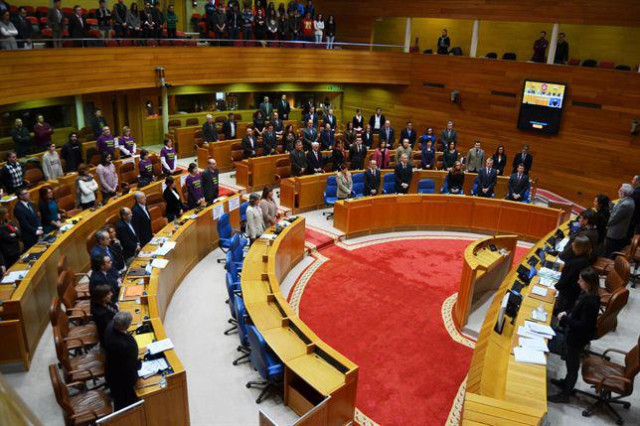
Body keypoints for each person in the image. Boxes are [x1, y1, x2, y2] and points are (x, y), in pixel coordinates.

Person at [548, 268, 600, 403]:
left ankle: (565, 395)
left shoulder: (590, 301)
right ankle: (565, 383)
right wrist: (567, 312)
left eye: (581, 280)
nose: (578, 282)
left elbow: (583, 325)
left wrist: (565, 319)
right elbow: (577, 309)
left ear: (588, 283)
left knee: (572, 366)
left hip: (578, 338)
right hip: (574, 334)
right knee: (569, 363)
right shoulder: (587, 294)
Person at [103, 311, 140, 411]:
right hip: (123, 380)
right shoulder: (125, 345)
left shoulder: (110, 326)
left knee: (118, 398)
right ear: (126, 326)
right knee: (124, 404)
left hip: (111, 370)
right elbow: (131, 364)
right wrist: (139, 364)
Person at [554, 235, 594, 314]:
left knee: (562, 309)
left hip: (568, 291)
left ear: (579, 247)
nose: (572, 244)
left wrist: (556, 286)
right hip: (575, 290)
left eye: (574, 243)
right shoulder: (587, 258)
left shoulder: (576, 263)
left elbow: (566, 278)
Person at [605, 183, 636, 257]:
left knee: (610, 250)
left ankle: (610, 261)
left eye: (620, 190)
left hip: (615, 233)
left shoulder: (625, 204)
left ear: (625, 192)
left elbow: (614, 219)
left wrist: (606, 224)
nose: (618, 191)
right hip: (620, 231)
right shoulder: (629, 200)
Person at [13, 187, 43, 251]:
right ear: (20, 196)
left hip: (37, 231)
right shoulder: (18, 209)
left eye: (28, 192)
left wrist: (39, 227)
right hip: (29, 236)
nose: (28, 194)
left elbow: (36, 216)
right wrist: (35, 231)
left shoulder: (30, 203)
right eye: (25, 193)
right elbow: (24, 224)